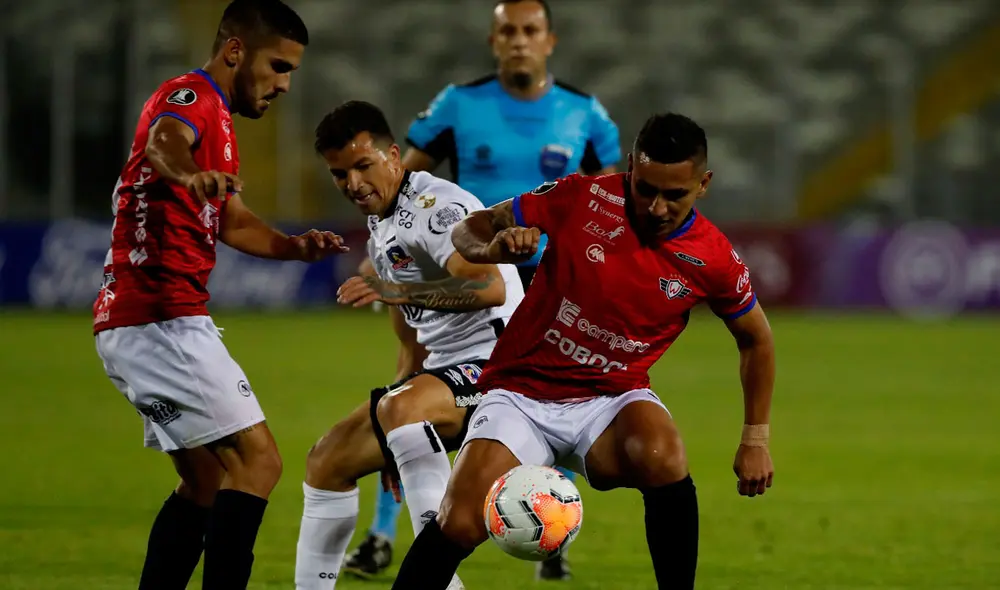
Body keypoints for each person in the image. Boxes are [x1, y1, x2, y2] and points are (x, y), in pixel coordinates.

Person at [387, 113, 777, 590]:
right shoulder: (582, 196)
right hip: (520, 394)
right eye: (646, 188)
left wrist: (755, 439)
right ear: (631, 168)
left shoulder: (712, 257)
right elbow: (470, 229)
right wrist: (496, 247)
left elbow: (756, 339)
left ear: (704, 184)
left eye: (674, 195)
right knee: (460, 522)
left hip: (609, 400)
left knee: (664, 455)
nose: (656, 207)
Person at [347, 0, 621, 580]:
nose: (518, 41)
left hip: (556, 284)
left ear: (551, 40)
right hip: (466, 273)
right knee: (408, 385)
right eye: (507, 31)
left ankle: (551, 523)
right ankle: (379, 535)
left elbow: (613, 203)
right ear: (493, 41)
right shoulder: (458, 105)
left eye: (530, 30)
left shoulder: (586, 115)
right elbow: (399, 184)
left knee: (564, 397)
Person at [92, 2, 346, 589]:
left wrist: (292, 247)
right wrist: (187, 175)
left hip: (139, 322)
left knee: (205, 483)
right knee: (260, 463)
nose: (283, 84)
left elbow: (230, 221)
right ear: (236, 50)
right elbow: (164, 142)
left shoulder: (221, 121)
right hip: (160, 318)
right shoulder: (191, 98)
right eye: (278, 67)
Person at [293, 100, 525, 590]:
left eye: (362, 165)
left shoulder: (435, 208)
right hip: (441, 379)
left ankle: (441, 583)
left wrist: (394, 290)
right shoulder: (383, 223)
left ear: (393, 156)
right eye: (339, 174)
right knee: (326, 462)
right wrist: (399, 432)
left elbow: (489, 288)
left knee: (404, 410)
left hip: (502, 369)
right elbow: (413, 341)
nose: (353, 184)